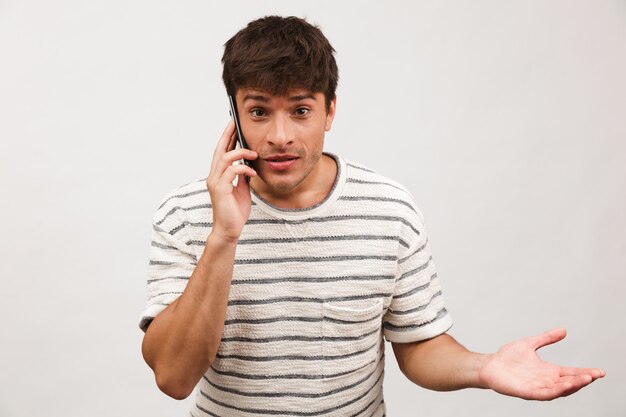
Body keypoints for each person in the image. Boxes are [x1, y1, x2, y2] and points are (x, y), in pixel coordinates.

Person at [139, 15, 605, 416]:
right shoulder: (186, 213)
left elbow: (418, 347)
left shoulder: (389, 209)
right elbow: (174, 378)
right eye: (259, 111)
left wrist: (483, 367)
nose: (279, 135)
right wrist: (223, 236)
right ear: (235, 117)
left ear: (330, 111)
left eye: (300, 109)